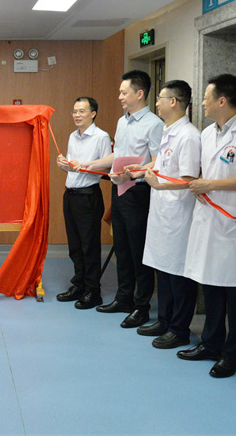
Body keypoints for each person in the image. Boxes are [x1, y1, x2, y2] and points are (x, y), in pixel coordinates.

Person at [177, 74, 236, 379]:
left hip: (235, 224)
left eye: (206, 97)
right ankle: (211, 343)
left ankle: (233, 354)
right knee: (211, 285)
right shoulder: (208, 133)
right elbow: (207, 170)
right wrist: (201, 185)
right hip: (209, 221)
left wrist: (210, 185)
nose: (202, 103)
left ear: (222, 101)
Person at [81, 70, 162, 328]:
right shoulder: (122, 121)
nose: (120, 97)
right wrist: (90, 164)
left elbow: (158, 162)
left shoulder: (154, 124)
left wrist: (135, 172)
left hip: (139, 191)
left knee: (138, 251)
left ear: (140, 94)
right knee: (122, 248)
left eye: (124, 93)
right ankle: (123, 298)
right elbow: (117, 155)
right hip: (119, 189)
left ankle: (141, 306)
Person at [128, 80, 201, 349]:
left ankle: (179, 329)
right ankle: (164, 320)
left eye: (160, 98)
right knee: (163, 270)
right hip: (162, 212)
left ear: (173, 102)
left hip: (178, 214)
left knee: (178, 274)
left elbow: (189, 179)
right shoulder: (169, 131)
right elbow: (162, 165)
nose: (156, 102)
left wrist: (158, 185)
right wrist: (140, 169)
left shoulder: (189, 136)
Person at [55, 96, 112, 309]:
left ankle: (93, 290)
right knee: (75, 245)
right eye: (74, 111)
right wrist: (65, 165)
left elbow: (107, 168)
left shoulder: (101, 136)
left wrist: (84, 165)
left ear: (93, 114)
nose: (77, 115)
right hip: (70, 194)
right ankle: (78, 285)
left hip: (88, 196)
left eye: (82, 111)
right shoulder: (73, 136)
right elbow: (73, 166)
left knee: (89, 246)